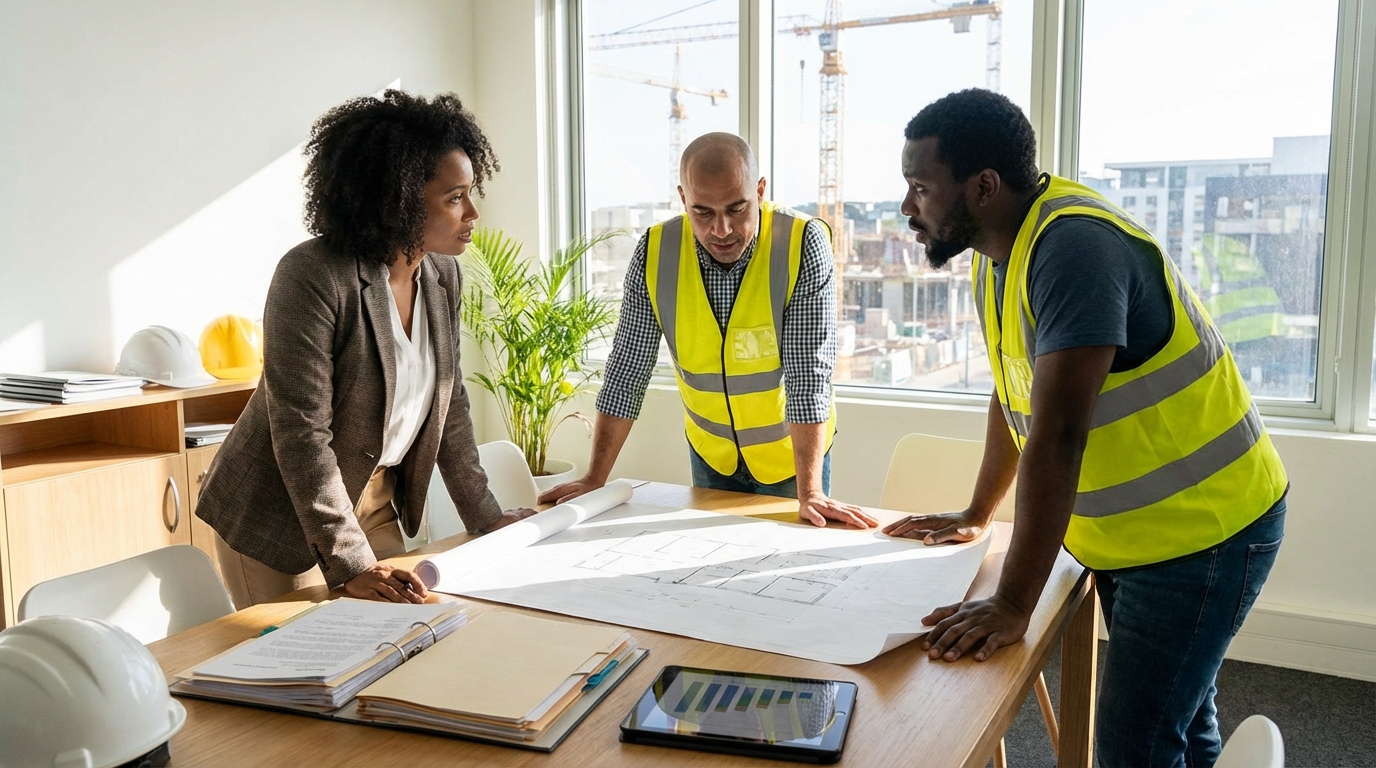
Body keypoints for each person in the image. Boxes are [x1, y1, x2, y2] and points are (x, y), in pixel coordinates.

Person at [884, 89, 1287, 767]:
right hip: (1140, 535)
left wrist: (1014, 603)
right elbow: (1015, 394)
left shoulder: (1073, 250)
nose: (906, 207)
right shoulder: (998, 254)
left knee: (1136, 746)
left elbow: (1059, 436)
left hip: (1204, 533)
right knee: (1181, 718)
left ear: (983, 187)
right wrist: (977, 512)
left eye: (921, 188)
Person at [197, 90, 535, 609]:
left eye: (470, 193)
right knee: (308, 654)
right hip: (281, 514)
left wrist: (487, 518)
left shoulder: (443, 274)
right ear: (399, 199)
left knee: (406, 632)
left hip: (373, 500)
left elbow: (450, 407)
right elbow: (302, 434)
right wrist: (352, 565)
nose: (473, 212)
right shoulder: (312, 275)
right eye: (454, 197)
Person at [541, 133, 876, 530]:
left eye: (737, 208)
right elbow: (627, 369)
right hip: (711, 455)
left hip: (791, 460)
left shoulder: (801, 243)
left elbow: (809, 376)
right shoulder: (656, 252)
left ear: (760, 191)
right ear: (683, 199)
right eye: (702, 212)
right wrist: (594, 479)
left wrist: (812, 492)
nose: (721, 229)